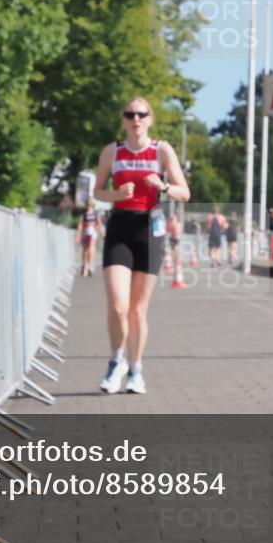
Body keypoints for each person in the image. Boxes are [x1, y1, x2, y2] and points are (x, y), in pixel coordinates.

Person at [93, 97, 190, 394]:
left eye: (141, 114)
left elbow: (184, 192)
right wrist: (117, 194)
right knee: (118, 306)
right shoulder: (112, 152)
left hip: (151, 228)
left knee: (137, 310)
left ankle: (136, 370)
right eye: (130, 114)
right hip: (120, 227)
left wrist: (162, 186)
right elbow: (98, 191)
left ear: (150, 119)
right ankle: (115, 361)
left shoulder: (161, 150)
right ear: (123, 119)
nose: (136, 119)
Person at [76, 201, 103, 277]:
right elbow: (80, 225)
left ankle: (90, 265)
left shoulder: (96, 214)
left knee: (91, 249)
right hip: (85, 233)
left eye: (91, 205)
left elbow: (99, 224)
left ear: (93, 206)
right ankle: (85, 265)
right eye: (88, 205)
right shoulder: (84, 215)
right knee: (85, 250)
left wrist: (102, 234)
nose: (89, 207)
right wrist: (78, 235)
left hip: (92, 233)